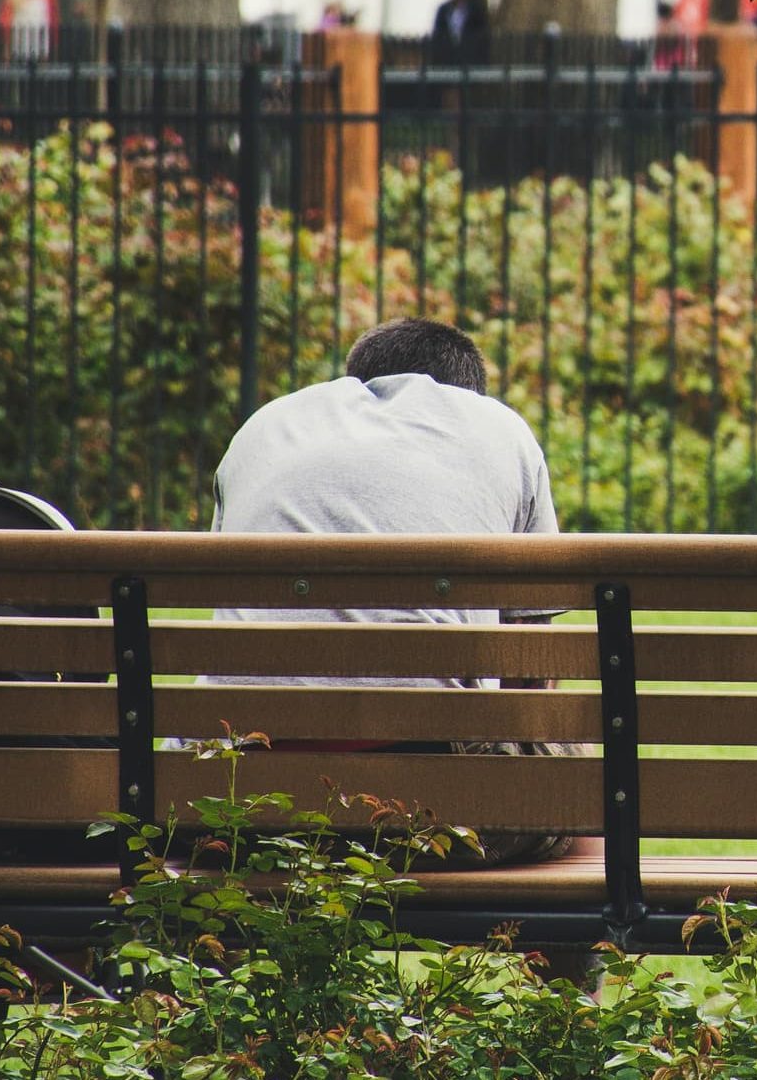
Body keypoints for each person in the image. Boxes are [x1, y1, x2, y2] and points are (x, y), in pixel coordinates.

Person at [208, 319, 579, 869]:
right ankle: (562, 944)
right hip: (426, 820)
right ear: (465, 393)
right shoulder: (496, 428)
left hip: (233, 807)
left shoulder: (264, 429)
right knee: (584, 778)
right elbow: (528, 672)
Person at [429, 0, 492, 67]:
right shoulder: (444, 10)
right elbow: (438, 33)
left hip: (471, 60)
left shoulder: (476, 9)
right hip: (448, 60)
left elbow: (482, 34)